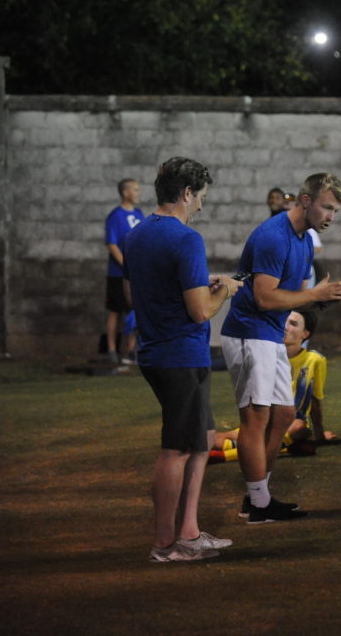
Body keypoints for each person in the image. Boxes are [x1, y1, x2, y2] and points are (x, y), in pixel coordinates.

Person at [122, 157, 243, 562]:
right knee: (176, 447)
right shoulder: (187, 238)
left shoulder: (137, 234)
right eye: (201, 196)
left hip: (156, 351)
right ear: (187, 193)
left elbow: (140, 292)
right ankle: (163, 544)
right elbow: (201, 311)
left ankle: (189, 532)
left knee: (203, 437)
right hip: (179, 354)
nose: (202, 205)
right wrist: (225, 289)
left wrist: (197, 284)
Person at [221, 173, 341, 524]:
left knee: (283, 416)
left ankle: (257, 497)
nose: (331, 217)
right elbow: (265, 298)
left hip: (270, 334)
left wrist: (322, 300)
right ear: (306, 201)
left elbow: (291, 298)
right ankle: (258, 504)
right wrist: (314, 293)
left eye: (335, 211)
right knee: (255, 419)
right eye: (327, 207)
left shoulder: (305, 240)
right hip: (249, 333)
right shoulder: (273, 237)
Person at [209, 310, 332, 462]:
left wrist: (320, 435)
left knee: (299, 427)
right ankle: (286, 446)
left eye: (293, 324)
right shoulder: (266, 355)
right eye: (284, 321)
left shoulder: (314, 360)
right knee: (214, 440)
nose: (285, 326)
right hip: (263, 420)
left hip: (293, 423)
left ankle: (222, 457)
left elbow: (315, 399)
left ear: (305, 334)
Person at [104, 178, 144, 364]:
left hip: (137, 275)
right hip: (118, 274)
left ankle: (131, 351)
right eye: (135, 189)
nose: (138, 193)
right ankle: (112, 350)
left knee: (135, 310)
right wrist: (127, 265)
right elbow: (112, 245)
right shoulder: (115, 216)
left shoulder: (139, 214)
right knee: (115, 311)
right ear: (125, 192)